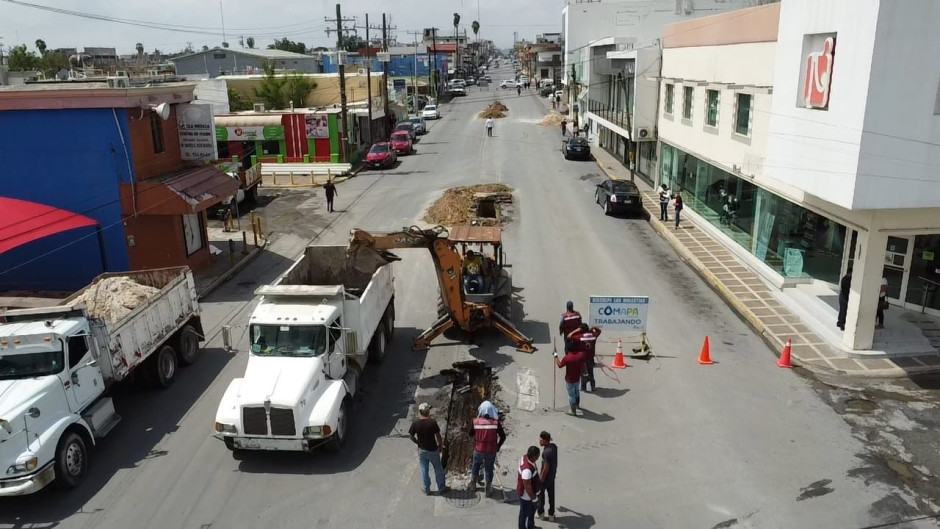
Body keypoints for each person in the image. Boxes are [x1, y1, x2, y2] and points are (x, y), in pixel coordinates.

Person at [408, 403, 449, 496]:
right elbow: (438, 436)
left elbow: (411, 436)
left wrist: (418, 442)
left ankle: (427, 489)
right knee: (438, 468)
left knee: (424, 470)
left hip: (422, 451)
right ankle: (442, 488)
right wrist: (440, 446)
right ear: (428, 412)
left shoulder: (416, 423)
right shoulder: (432, 422)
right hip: (433, 450)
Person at [469, 400, 506, 495]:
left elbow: (470, 434)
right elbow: (503, 436)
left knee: (475, 466)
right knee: (489, 469)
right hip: (491, 451)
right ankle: (488, 489)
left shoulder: (475, 422)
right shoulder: (495, 423)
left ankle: (473, 484)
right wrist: (497, 446)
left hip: (478, 450)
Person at [555, 343, 587, 416]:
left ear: (568, 349)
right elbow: (584, 364)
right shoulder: (581, 355)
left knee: (571, 395)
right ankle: (577, 405)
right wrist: (585, 372)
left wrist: (555, 356)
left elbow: (560, 365)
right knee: (576, 392)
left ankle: (573, 411)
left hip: (569, 379)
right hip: (577, 378)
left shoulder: (567, 358)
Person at [517, 446, 541, 529]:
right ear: (534, 456)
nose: (538, 457)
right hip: (527, 496)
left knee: (531, 512)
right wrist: (534, 498)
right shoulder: (527, 471)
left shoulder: (526, 457)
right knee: (524, 514)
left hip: (532, 494)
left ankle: (530, 526)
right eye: (538, 455)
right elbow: (527, 487)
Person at [537, 432, 557, 522]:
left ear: (545, 441)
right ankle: (551, 514)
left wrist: (541, 479)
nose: (539, 441)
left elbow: (546, 467)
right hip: (552, 476)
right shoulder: (554, 447)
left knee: (541, 496)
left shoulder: (546, 452)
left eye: (541, 440)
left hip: (545, 478)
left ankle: (541, 513)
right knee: (551, 496)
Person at [576, 323, 601, 393]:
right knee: (591, 372)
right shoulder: (593, 336)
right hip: (590, 358)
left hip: (582, 359)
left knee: (583, 373)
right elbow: (599, 331)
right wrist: (593, 328)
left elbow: (571, 337)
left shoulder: (579, 337)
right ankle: (593, 387)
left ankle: (583, 387)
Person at [837, 266, 852, 331]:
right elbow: (846, 290)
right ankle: (841, 324)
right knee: (843, 311)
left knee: (842, 311)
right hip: (844, 297)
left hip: (843, 297)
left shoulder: (845, 279)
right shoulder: (846, 280)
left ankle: (840, 323)